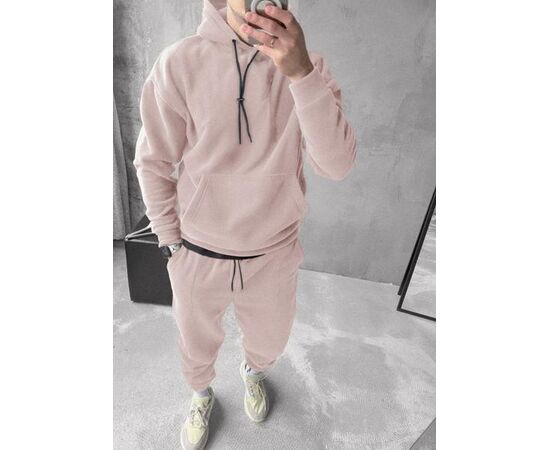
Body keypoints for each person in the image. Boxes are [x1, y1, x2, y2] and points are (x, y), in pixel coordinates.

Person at [133, 0, 357, 448]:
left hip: (274, 252)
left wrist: (300, 74)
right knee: (194, 344)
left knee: (270, 341)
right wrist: (169, 241)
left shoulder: (310, 68)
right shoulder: (179, 62)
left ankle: (253, 371)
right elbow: (153, 160)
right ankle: (201, 394)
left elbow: (336, 165)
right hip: (197, 250)